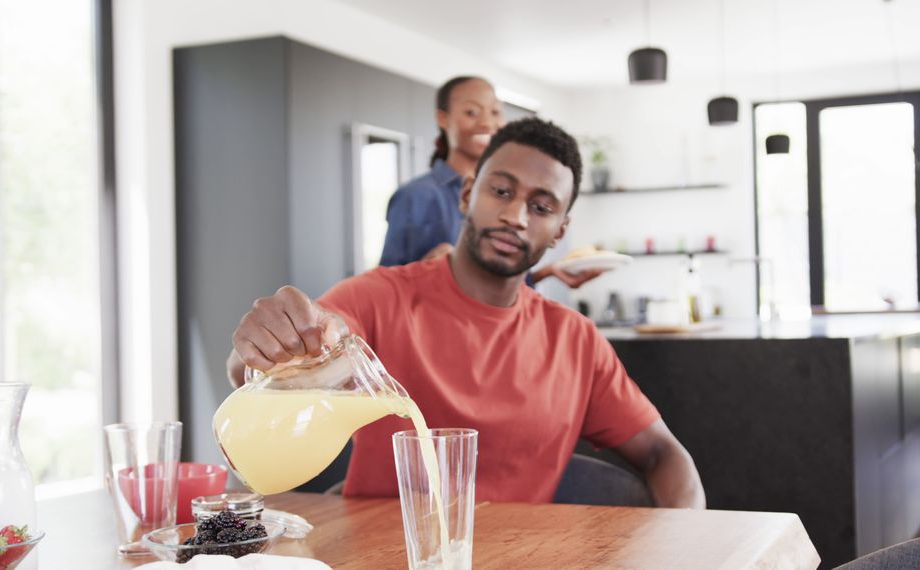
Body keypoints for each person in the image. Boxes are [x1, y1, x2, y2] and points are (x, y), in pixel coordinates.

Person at [227, 118, 705, 508]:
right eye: (501, 191)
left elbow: (664, 453)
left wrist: (692, 547)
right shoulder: (382, 296)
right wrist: (274, 342)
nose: (516, 216)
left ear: (560, 229)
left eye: (541, 206)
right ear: (467, 193)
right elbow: (318, 335)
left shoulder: (575, 340)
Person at [378, 76, 602, 288]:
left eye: (495, 112)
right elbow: (386, 285)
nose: (487, 122)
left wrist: (547, 273)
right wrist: (427, 268)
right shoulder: (416, 196)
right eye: (472, 112)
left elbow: (497, 289)